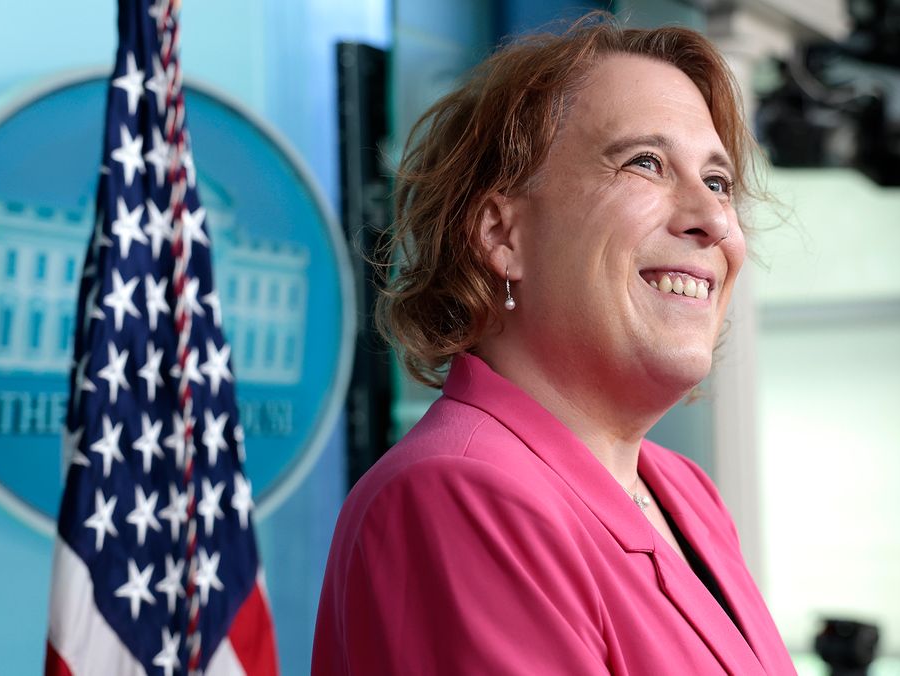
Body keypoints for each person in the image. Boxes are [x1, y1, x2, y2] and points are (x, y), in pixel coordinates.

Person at [313, 13, 794, 675]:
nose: (714, 219)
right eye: (645, 163)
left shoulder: (685, 494)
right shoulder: (456, 496)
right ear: (501, 234)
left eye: (717, 182)